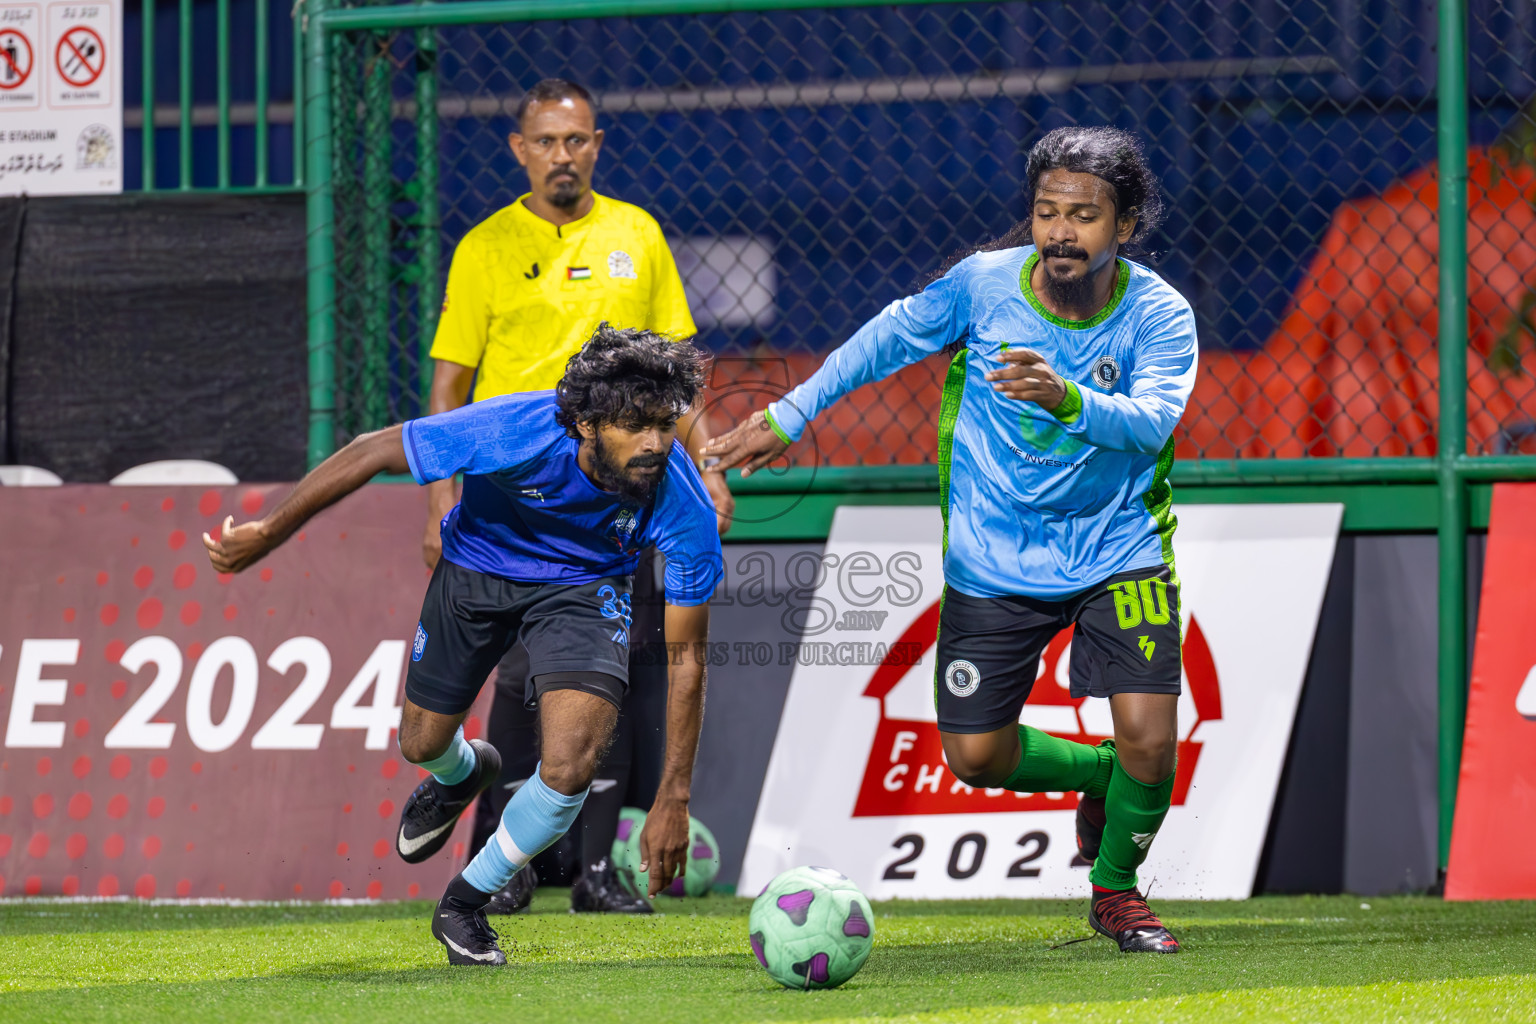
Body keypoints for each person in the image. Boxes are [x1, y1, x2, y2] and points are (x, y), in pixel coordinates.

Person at [705, 126, 1197, 954]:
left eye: (1084, 215)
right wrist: (788, 414)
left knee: (1153, 734)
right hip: (994, 559)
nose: (1062, 232)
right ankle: (1097, 773)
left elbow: (1152, 426)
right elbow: (885, 339)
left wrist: (1067, 398)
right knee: (976, 755)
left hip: (1120, 548)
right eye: (1047, 213)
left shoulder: (1158, 313)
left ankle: (1116, 895)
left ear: (1125, 225)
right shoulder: (983, 287)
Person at [204, 326, 724, 965]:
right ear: (585, 425)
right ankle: (463, 772)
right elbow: (373, 450)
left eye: (665, 426)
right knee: (420, 743)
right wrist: (270, 531)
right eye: (634, 426)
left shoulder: (681, 500)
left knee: (570, 764)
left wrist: (674, 796)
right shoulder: (517, 428)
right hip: (475, 570)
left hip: (584, 590)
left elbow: (688, 660)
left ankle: (464, 903)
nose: (654, 444)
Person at [421, 77, 732, 914]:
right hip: (519, 504)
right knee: (520, 683)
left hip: (620, 498)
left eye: (578, 140)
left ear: (598, 144)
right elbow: (448, 385)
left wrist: (709, 467)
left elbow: (679, 375)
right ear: (519, 149)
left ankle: (596, 870)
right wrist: (436, 502)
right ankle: (512, 862)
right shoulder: (485, 246)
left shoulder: (638, 234)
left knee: (619, 671)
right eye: (547, 141)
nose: (564, 155)